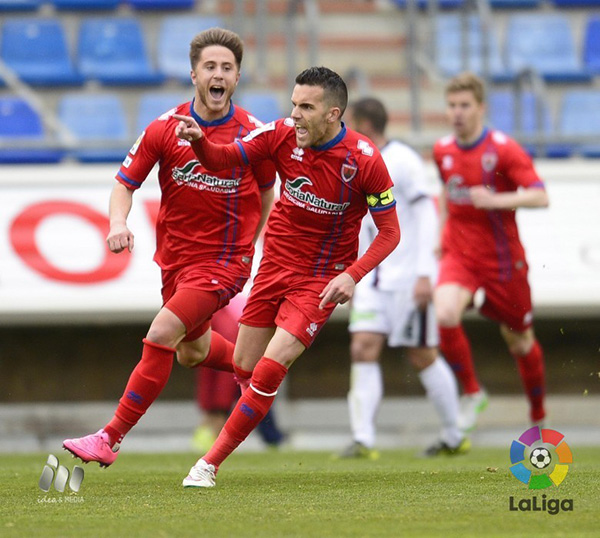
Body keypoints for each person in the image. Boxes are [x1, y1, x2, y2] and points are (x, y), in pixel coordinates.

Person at [174, 66, 401, 488]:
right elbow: (226, 158)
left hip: (321, 279)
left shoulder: (364, 159)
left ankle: (207, 465)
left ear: (333, 114)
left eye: (306, 107)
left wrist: (352, 275)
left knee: (268, 370)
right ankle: (255, 412)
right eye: (294, 104)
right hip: (273, 268)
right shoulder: (279, 134)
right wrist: (201, 142)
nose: (295, 115)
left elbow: (390, 232)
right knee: (244, 363)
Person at [63, 27, 276, 466]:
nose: (218, 75)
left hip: (224, 262)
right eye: (210, 67)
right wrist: (117, 222)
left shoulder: (254, 135)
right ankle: (258, 370)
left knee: (160, 333)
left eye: (227, 68)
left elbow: (269, 196)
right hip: (176, 261)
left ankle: (110, 438)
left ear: (237, 78)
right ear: (194, 74)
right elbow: (124, 184)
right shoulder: (165, 128)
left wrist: (255, 251)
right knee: (191, 351)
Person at [337, 97, 467, 459]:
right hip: (372, 280)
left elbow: (427, 213)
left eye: (349, 122)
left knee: (422, 354)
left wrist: (426, 272)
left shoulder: (404, 161)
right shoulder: (353, 159)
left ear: (365, 123)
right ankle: (363, 439)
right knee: (362, 347)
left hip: (409, 278)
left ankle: (454, 434)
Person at [432, 72, 549, 433]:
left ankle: (538, 417)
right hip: (460, 253)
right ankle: (471, 392)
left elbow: (540, 195)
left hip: (502, 260)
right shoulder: (442, 150)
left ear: (481, 108)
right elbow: (446, 196)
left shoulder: (503, 149)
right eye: (452, 105)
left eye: (465, 105)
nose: (457, 113)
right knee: (445, 313)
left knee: (519, 339)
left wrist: (497, 199)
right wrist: (439, 238)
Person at [192, 294, 285, 452]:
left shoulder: (223, 309)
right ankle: (272, 437)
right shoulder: (228, 310)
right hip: (235, 369)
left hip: (234, 368)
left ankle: (272, 437)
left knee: (244, 405)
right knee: (251, 403)